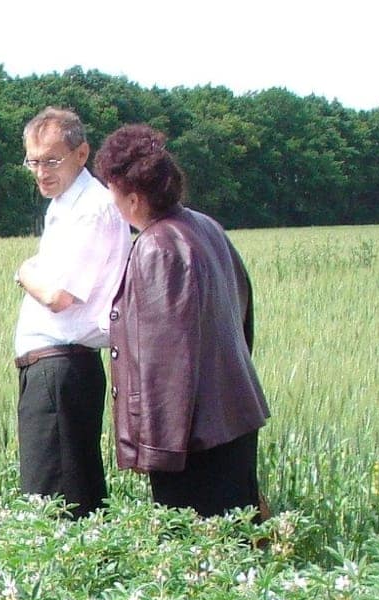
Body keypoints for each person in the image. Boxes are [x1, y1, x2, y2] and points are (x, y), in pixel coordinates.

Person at [94, 124, 269, 517]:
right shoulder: (205, 226)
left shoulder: (158, 247)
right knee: (237, 547)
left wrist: (154, 450)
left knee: (197, 558)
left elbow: (164, 363)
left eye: (112, 189)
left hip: (192, 440)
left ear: (134, 198)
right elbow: (242, 316)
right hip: (232, 418)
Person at [13, 108, 131, 516]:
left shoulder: (91, 208)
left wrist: (24, 271)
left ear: (82, 154)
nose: (41, 172)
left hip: (63, 366)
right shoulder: (63, 205)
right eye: (33, 161)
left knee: (58, 502)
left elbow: (58, 295)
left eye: (52, 160)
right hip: (52, 368)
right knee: (50, 491)